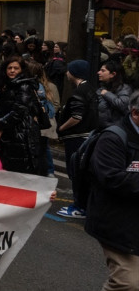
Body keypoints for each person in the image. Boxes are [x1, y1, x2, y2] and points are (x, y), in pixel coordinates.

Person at [84, 95, 139, 290]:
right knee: (128, 283)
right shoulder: (113, 138)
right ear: (135, 113)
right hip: (116, 222)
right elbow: (112, 178)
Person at [0, 56, 48, 176]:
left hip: (22, 133)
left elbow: (19, 110)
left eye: (16, 68)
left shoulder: (24, 86)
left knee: (21, 170)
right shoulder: (4, 85)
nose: (12, 71)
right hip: (7, 132)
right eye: (9, 68)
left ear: (22, 70)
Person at [55, 60, 97, 219]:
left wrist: (61, 128)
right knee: (81, 173)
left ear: (74, 73)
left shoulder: (80, 92)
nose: (66, 73)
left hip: (77, 138)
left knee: (76, 172)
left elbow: (77, 116)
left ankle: (79, 207)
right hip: (84, 137)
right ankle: (83, 205)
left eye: (69, 71)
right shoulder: (89, 89)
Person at [97, 60, 134, 127]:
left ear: (112, 74)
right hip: (102, 127)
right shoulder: (102, 87)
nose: (98, 72)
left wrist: (106, 94)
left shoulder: (125, 88)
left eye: (103, 71)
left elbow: (122, 105)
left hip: (117, 128)